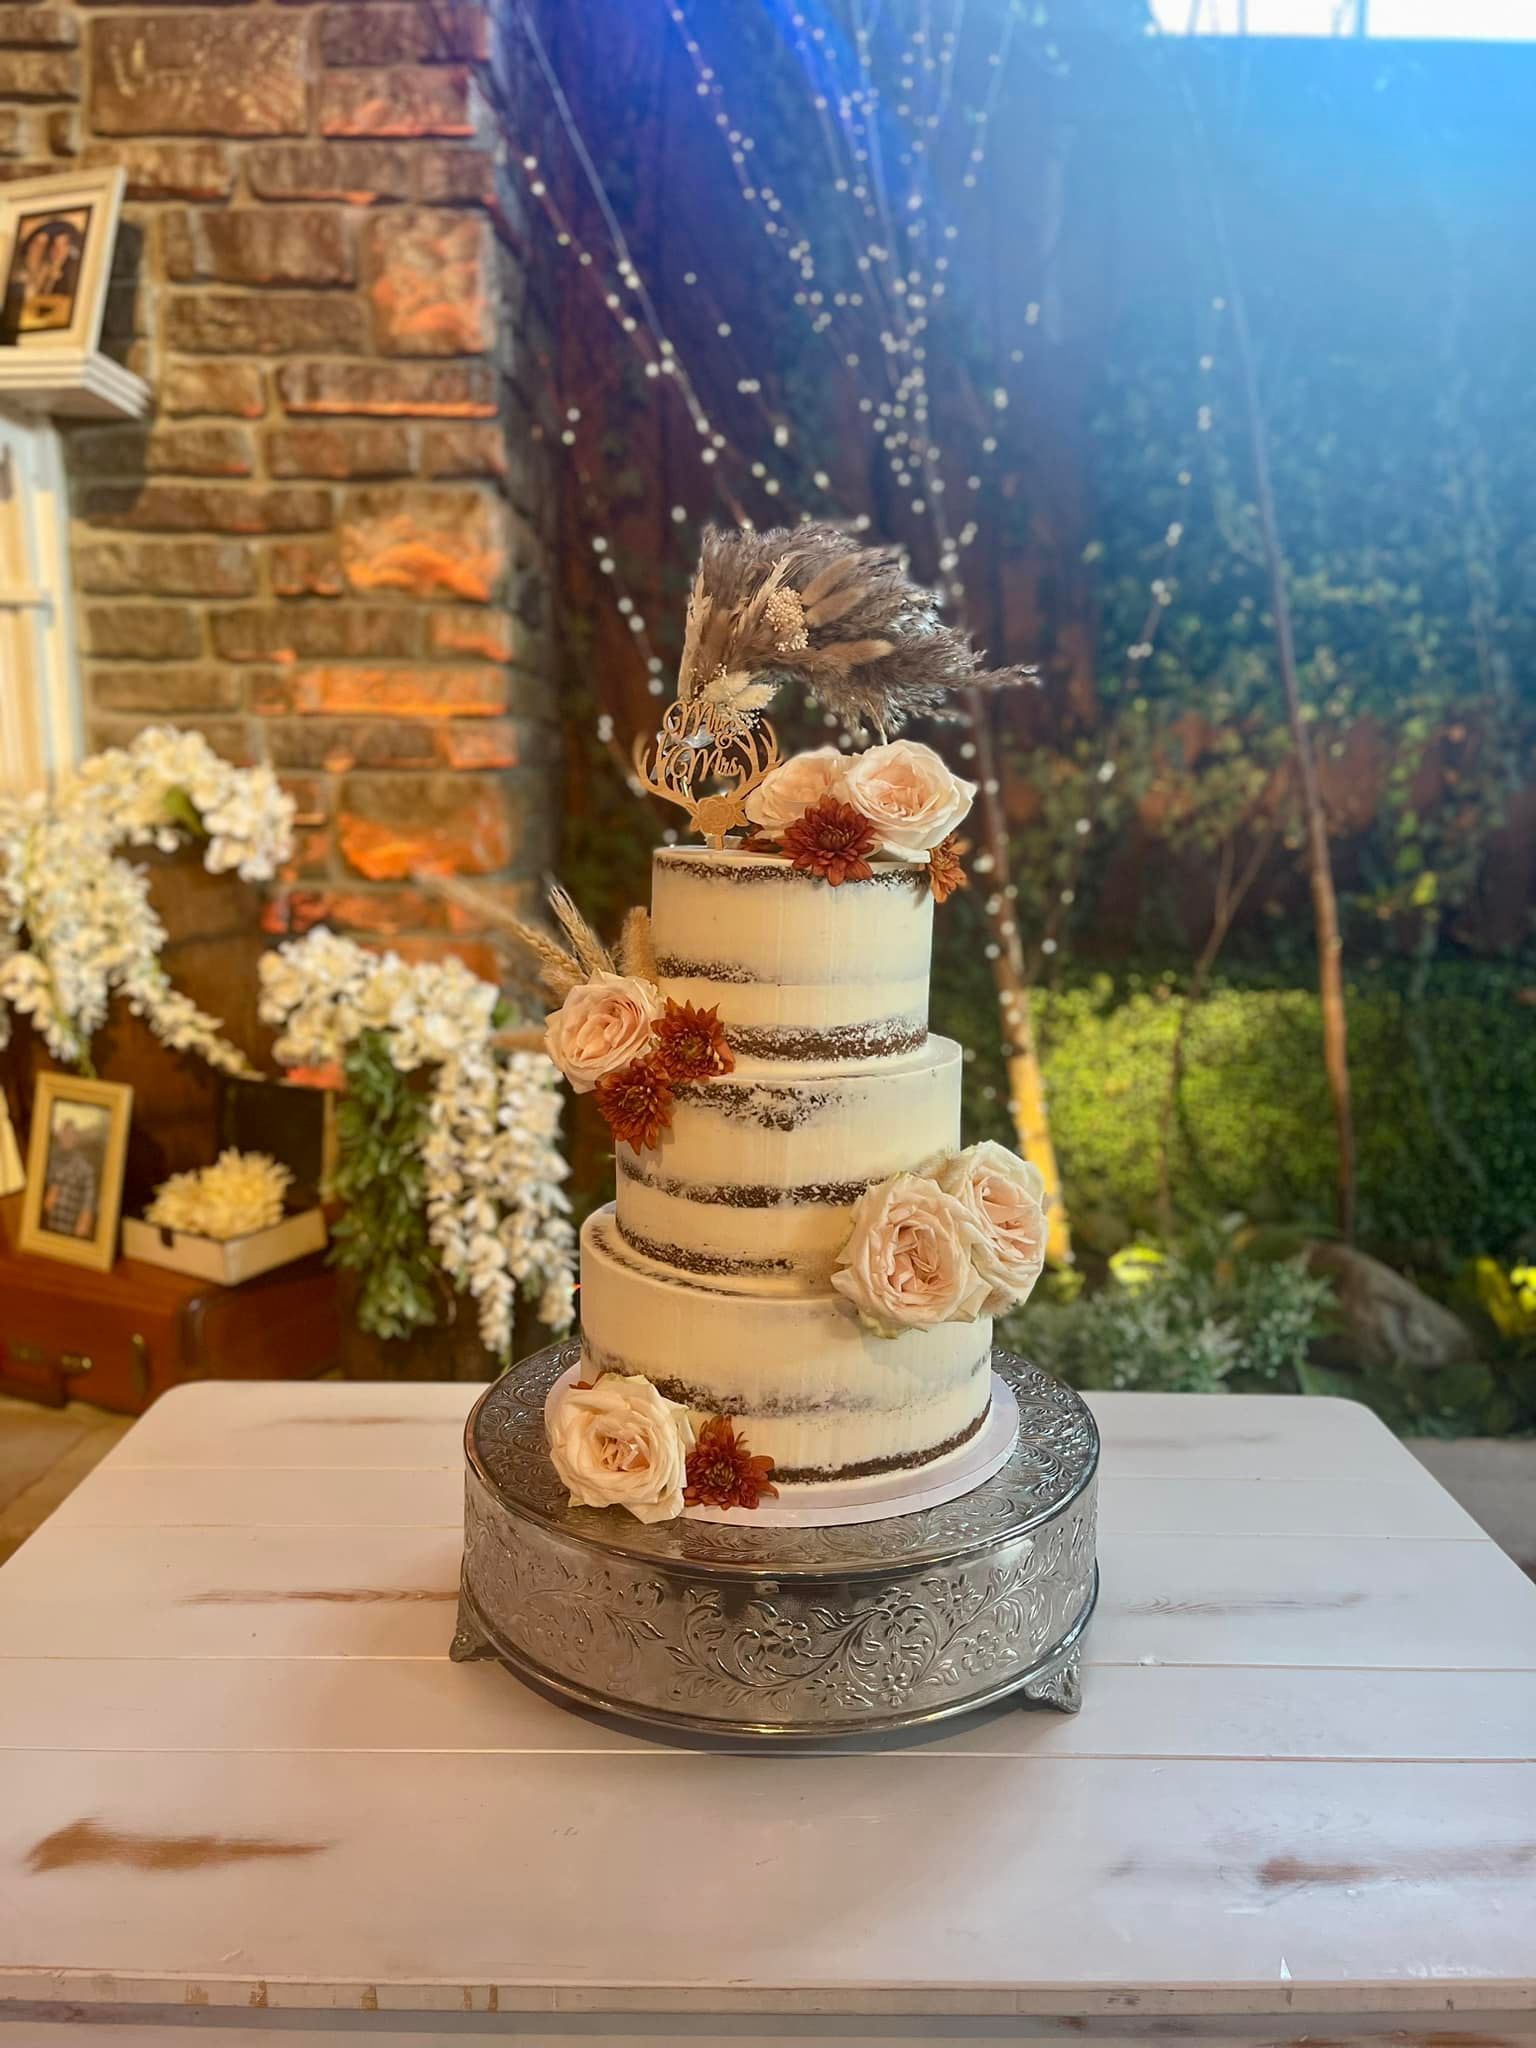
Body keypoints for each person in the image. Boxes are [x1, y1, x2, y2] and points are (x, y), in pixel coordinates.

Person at [42, 1116, 99, 1240]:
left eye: (71, 1135)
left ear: (76, 1139)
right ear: (60, 1137)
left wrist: (84, 1222)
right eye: (64, 1134)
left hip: (70, 1232)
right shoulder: (50, 1163)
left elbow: (89, 1203)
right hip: (49, 1228)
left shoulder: (85, 1169)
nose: (67, 1138)